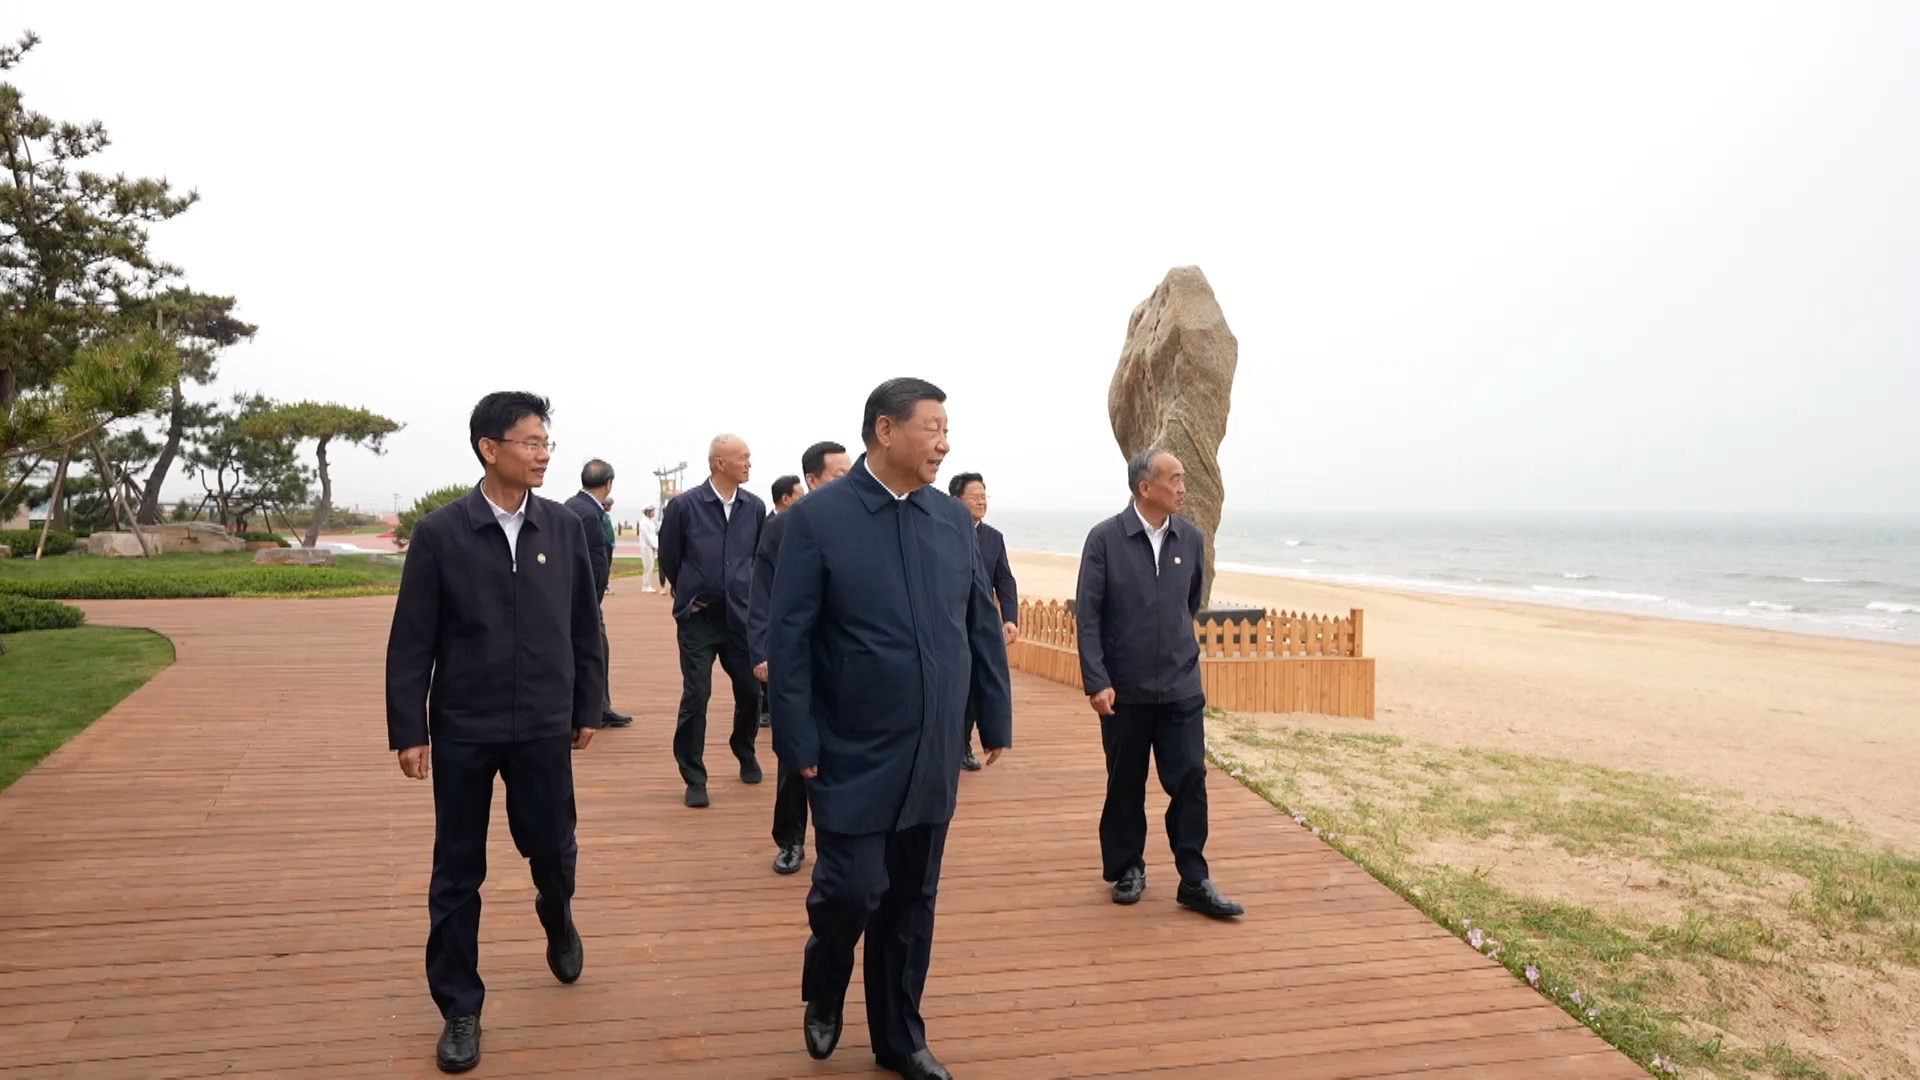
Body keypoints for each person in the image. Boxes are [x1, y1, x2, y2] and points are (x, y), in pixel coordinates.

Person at [769, 379, 1012, 1080]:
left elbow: (979, 622)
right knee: (850, 889)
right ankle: (826, 979)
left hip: (933, 747)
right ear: (885, 430)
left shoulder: (952, 521)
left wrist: (993, 713)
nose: (945, 444)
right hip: (850, 746)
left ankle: (900, 1037)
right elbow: (790, 637)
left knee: (911, 900)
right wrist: (796, 738)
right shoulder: (818, 519)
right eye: (932, 428)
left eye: (947, 430)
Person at [384, 391, 606, 1073]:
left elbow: (585, 624)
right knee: (457, 870)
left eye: (546, 443)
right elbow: (412, 639)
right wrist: (409, 728)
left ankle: (556, 911)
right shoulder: (441, 533)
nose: (542, 455)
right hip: (464, 726)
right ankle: (460, 1007)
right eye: (530, 443)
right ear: (489, 448)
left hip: (543, 722)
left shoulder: (562, 527)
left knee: (554, 847)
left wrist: (588, 704)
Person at [1075, 447, 1243, 919]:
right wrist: (1097, 680)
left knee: (1190, 778)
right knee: (1125, 782)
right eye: (1175, 479)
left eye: (1184, 478)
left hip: (1180, 686)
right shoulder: (1105, 539)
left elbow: (1189, 603)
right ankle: (1128, 867)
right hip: (1124, 690)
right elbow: (1088, 615)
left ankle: (1194, 879)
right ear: (1144, 487)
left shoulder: (1190, 538)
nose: (1183, 487)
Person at [748, 440, 852, 875]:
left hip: (846, 661)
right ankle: (790, 839)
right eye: (839, 475)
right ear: (812, 480)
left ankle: (839, 840)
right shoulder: (782, 527)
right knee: (795, 754)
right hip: (795, 659)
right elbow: (761, 593)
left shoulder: (861, 522)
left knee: (844, 756)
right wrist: (761, 650)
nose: (850, 481)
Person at [658, 434, 767, 807]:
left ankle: (745, 749)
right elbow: (670, 557)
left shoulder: (754, 507)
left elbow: (758, 557)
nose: (749, 463)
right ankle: (694, 776)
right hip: (699, 617)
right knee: (697, 694)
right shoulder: (685, 506)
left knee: (751, 691)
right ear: (720, 462)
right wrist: (689, 593)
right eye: (743, 457)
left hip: (741, 617)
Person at [947, 471, 1019, 771]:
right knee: (952, 685)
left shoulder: (993, 538)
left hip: (980, 625)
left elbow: (1005, 580)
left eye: (983, 496)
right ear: (956, 500)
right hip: (949, 623)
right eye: (974, 497)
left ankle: (963, 745)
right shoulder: (943, 533)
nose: (981, 502)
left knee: (976, 686)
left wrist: (1010, 618)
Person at [565, 460, 632, 727]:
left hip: (574, 595)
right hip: (585, 599)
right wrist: (592, 598)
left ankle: (593, 707)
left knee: (589, 651)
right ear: (608, 483)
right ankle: (595, 710)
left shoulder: (572, 506)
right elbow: (591, 561)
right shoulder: (591, 515)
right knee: (594, 651)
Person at [636, 506, 660, 592]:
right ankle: (645, 585)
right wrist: (654, 545)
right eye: (652, 511)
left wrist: (656, 545)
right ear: (647, 512)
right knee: (648, 566)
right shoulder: (644, 522)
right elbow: (647, 536)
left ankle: (648, 584)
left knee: (651, 566)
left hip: (652, 546)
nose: (653, 513)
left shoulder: (651, 521)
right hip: (646, 547)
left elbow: (654, 534)